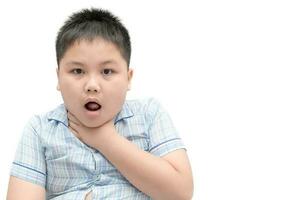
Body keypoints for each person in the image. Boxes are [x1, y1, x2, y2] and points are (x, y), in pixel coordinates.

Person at [6, 8, 193, 200]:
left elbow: (180, 192)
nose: (92, 86)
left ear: (128, 78)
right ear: (58, 78)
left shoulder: (149, 114)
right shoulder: (40, 129)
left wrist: (106, 140)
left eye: (107, 72)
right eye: (78, 71)